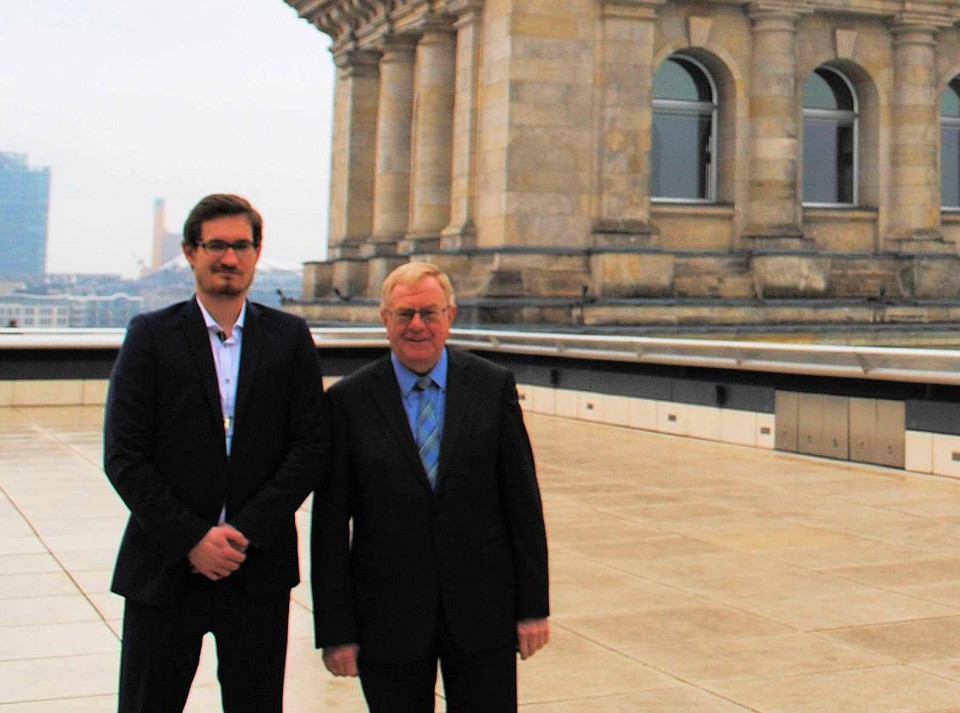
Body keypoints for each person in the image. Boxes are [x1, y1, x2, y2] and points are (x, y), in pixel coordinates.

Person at [103, 193, 325, 713]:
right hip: (164, 568)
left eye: (241, 246)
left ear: (256, 252)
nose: (229, 258)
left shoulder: (289, 338)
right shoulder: (150, 337)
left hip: (256, 569)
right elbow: (124, 455)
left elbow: (310, 447)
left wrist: (241, 534)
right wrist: (192, 539)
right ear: (190, 252)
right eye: (216, 245)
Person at [312, 262, 549, 712]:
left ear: (450, 315)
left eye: (428, 312)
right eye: (404, 314)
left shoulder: (491, 386)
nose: (416, 325)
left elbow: (523, 504)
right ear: (384, 319)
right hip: (387, 619)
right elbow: (329, 525)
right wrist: (337, 632)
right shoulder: (348, 402)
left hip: (483, 613)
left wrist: (533, 606)